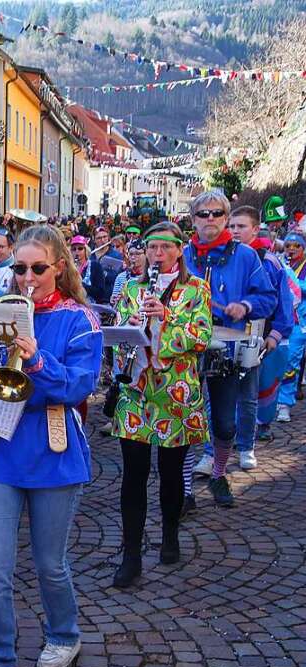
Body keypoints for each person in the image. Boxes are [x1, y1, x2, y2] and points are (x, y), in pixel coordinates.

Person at [0, 224, 102, 667]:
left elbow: (78, 386)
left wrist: (36, 359)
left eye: (38, 268)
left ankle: (64, 633)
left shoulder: (79, 319)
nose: (27, 277)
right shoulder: (2, 311)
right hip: (1, 449)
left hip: (53, 451)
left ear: (59, 267)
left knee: (49, 564)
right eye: (19, 268)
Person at [110, 222, 212, 588]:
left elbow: (201, 337)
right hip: (136, 392)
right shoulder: (132, 287)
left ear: (179, 250)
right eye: (151, 247)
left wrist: (166, 321)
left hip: (175, 395)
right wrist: (130, 325)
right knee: (133, 475)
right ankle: (132, 555)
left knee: (170, 474)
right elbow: (117, 331)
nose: (156, 254)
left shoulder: (195, 288)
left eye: (164, 248)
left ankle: (170, 533)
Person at [184, 189, 276, 507]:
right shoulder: (182, 255)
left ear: (226, 217)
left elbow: (268, 298)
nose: (210, 220)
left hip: (226, 347)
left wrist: (245, 305)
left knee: (224, 420)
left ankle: (219, 474)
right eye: (203, 214)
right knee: (183, 417)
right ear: (193, 220)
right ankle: (183, 490)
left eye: (217, 214)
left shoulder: (246, 256)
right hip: (185, 348)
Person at [277, 231, 306, 423]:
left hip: (299, 323)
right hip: (280, 321)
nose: (292, 250)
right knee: (275, 363)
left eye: (297, 246)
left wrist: (290, 279)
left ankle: (285, 404)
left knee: (291, 363)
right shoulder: (281, 265)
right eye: (288, 246)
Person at [71, 235, 108, 303]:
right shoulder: (70, 268)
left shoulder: (95, 266)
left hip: (91, 305)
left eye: (80, 248)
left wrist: (81, 285)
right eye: (74, 249)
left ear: (86, 249)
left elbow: (100, 292)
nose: (77, 251)